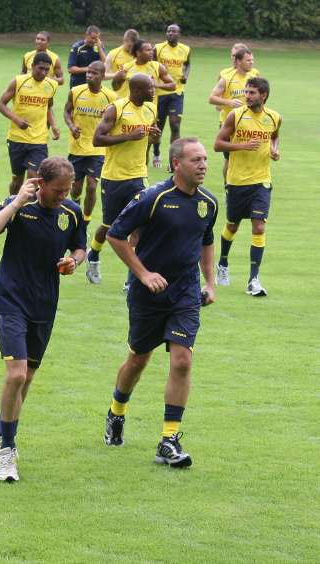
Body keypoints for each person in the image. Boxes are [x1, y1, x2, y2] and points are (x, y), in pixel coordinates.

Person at [102, 137, 217, 469]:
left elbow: (206, 241)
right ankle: (116, 411)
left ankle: (169, 439)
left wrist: (209, 282)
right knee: (138, 359)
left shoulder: (208, 203)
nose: (203, 165)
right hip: (148, 294)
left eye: (205, 159)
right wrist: (143, 273)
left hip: (185, 294)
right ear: (176, 163)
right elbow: (115, 235)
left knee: (182, 361)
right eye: (195, 159)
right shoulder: (153, 197)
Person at [0, 158, 86, 482]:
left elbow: (80, 247)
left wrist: (73, 262)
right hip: (10, 297)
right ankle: (7, 451)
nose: (63, 196)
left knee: (28, 377)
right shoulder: (19, 205)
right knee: (16, 374)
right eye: (58, 190)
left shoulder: (71, 213)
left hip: (45, 302)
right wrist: (16, 203)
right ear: (40, 183)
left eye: (68, 191)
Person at [86, 74, 160, 286]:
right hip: (114, 177)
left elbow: (148, 137)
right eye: (150, 88)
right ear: (136, 90)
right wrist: (128, 136)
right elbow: (97, 139)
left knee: (141, 227)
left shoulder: (151, 109)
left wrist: (153, 137)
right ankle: (94, 254)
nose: (153, 90)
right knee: (109, 226)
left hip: (138, 176)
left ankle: (132, 279)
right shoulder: (116, 109)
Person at [213, 77, 281, 297]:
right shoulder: (236, 115)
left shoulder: (274, 118)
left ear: (263, 95)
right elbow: (217, 144)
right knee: (232, 225)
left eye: (252, 93)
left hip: (261, 181)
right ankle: (222, 262)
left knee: (259, 226)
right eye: (246, 92)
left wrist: (274, 148)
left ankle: (253, 279)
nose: (247, 96)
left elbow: (274, 136)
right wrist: (242, 145)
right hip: (237, 181)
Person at [0, 52, 61, 195]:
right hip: (17, 138)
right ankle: (12, 207)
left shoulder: (51, 85)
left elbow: (48, 106)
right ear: (32, 66)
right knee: (17, 180)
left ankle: (30, 213)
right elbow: (1, 104)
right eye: (41, 68)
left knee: (34, 178)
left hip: (39, 139)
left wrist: (54, 125)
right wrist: (16, 119)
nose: (44, 72)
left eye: (47, 69)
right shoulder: (18, 82)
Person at [64, 61, 116, 229]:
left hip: (98, 149)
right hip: (77, 147)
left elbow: (115, 121)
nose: (89, 76)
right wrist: (72, 126)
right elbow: (67, 111)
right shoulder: (76, 92)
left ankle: (85, 220)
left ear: (102, 76)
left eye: (93, 73)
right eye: (87, 73)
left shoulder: (111, 97)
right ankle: (76, 205)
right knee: (76, 188)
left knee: (92, 186)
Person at [208, 47, 260, 182]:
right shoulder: (227, 78)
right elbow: (212, 98)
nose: (252, 62)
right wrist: (228, 102)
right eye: (248, 60)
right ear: (238, 62)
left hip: (249, 123)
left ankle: (248, 181)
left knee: (248, 155)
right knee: (230, 158)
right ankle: (228, 186)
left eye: (252, 60)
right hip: (229, 124)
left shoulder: (254, 77)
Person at [153, 24, 191, 169]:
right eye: (168, 31)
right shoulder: (158, 48)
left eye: (174, 31)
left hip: (177, 92)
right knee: (159, 127)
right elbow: (152, 66)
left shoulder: (185, 49)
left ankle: (173, 160)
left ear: (179, 34)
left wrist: (185, 76)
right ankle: (156, 153)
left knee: (175, 125)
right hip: (160, 93)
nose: (171, 33)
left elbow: (188, 65)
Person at [111, 39, 175, 102]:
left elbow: (173, 85)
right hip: (131, 107)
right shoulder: (127, 67)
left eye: (151, 49)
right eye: (148, 50)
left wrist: (156, 85)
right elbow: (115, 88)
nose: (151, 52)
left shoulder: (157, 67)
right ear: (138, 52)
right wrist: (116, 79)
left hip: (150, 109)